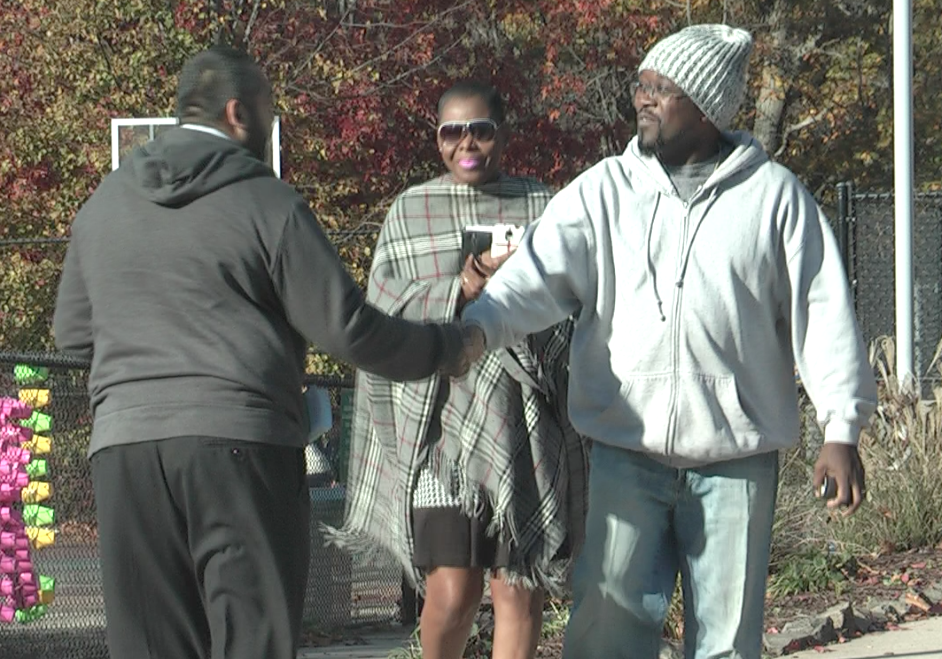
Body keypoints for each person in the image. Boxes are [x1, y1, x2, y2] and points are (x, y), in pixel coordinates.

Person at [461, 24, 878, 659]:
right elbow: (534, 279)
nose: (642, 99)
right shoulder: (605, 192)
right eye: (641, 85)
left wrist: (840, 429)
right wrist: (473, 330)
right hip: (626, 454)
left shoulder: (774, 199)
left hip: (735, 460)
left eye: (661, 89)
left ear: (706, 105)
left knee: (727, 641)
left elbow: (822, 313)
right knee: (606, 631)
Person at [52, 45, 473, 659]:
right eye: (268, 112)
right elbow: (350, 331)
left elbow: (73, 335)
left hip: (126, 451)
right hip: (240, 444)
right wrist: (445, 346)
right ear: (236, 112)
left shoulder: (103, 205)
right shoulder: (267, 203)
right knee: (252, 641)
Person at [329, 81, 587, 659]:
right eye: (452, 131)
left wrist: (520, 287)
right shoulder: (410, 210)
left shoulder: (541, 205)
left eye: (480, 129)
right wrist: (460, 288)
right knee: (451, 592)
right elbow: (383, 308)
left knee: (517, 590)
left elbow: (575, 305)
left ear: (502, 133)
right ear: (437, 139)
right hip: (439, 436)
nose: (466, 143)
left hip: (526, 427)